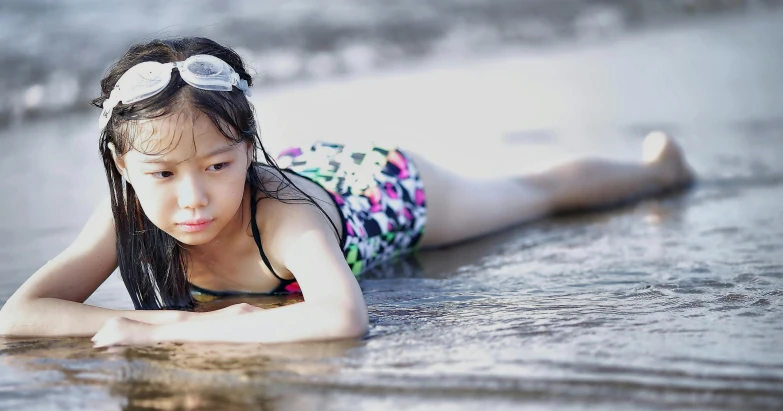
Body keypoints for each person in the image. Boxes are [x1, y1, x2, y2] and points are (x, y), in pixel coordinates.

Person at [0, 37, 694, 347]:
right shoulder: (127, 213)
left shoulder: (283, 216)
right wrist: (175, 325)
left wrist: (178, 333)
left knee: (527, 195)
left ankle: (660, 171)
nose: (192, 199)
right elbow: (18, 317)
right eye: (162, 175)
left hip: (376, 190)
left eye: (216, 166)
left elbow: (340, 319)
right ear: (124, 168)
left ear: (246, 151)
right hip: (306, 171)